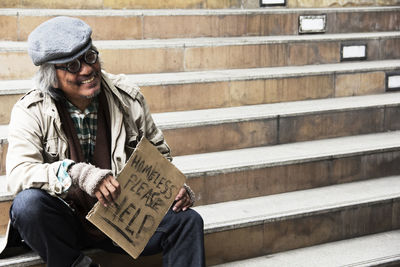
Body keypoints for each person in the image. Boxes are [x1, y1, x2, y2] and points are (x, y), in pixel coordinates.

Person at [3, 16, 205, 267]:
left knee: (187, 221)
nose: (87, 69)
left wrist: (172, 190)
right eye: (73, 65)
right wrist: (77, 173)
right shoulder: (30, 110)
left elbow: (159, 156)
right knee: (27, 205)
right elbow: (18, 174)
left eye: (90, 57)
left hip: (121, 218)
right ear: (52, 77)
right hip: (67, 222)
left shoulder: (127, 97)